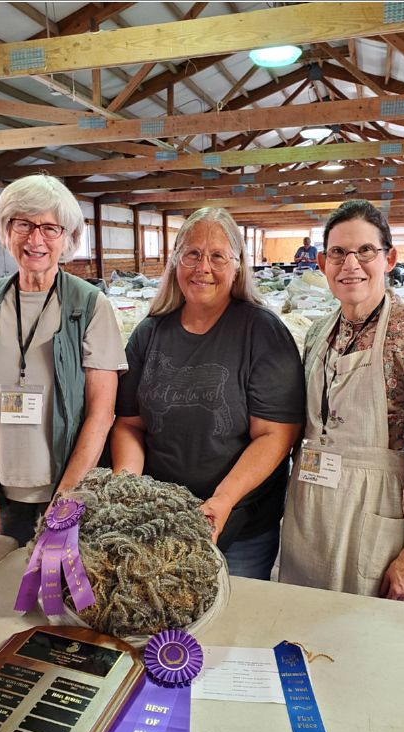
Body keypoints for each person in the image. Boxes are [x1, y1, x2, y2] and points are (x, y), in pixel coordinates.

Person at [111, 207, 305, 579]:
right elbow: (130, 425)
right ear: (175, 262)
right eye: (192, 254)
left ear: (237, 266)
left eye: (217, 256)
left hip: (238, 526)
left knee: (232, 628)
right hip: (158, 523)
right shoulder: (150, 334)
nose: (203, 267)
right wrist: (128, 489)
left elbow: (275, 434)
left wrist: (223, 500)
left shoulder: (262, 332)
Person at [279, 200, 404, 607]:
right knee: (305, 625)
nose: (350, 264)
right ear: (322, 262)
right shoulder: (319, 333)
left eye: (365, 251)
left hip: (378, 510)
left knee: (370, 638)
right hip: (312, 506)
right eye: (338, 252)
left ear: (389, 258)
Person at [0, 174, 128, 551]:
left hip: (68, 491)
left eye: (49, 227)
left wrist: (66, 500)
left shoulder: (90, 306)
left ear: (68, 238)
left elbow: (101, 412)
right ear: (5, 230)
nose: (35, 239)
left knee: (63, 600)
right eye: (23, 224)